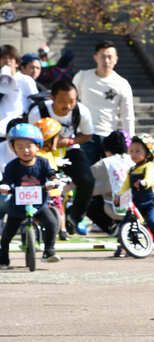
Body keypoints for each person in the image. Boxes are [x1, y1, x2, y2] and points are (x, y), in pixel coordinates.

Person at [27, 79, 96, 235]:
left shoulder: (81, 111)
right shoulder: (37, 112)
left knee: (87, 180)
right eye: (63, 102)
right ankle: (34, 218)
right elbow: (30, 137)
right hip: (42, 151)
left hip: (69, 149)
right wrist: (49, 144)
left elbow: (87, 135)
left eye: (72, 101)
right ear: (52, 98)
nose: (68, 106)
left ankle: (74, 218)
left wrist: (70, 141)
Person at [0, 123, 61, 268]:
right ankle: (3, 257)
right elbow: (6, 180)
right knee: (7, 234)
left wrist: (54, 181)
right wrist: (5, 187)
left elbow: (52, 174)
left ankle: (49, 251)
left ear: (37, 146)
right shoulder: (12, 166)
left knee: (52, 222)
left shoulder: (43, 162)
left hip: (39, 204)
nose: (25, 150)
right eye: (19, 147)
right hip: (18, 205)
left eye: (29, 146)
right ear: (13, 148)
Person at [73, 41, 135, 165]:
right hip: (86, 135)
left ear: (116, 59)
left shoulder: (122, 84)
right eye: (103, 56)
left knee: (111, 175)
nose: (106, 61)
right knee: (88, 175)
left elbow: (127, 115)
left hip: (109, 136)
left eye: (110, 57)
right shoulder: (82, 77)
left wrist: (130, 141)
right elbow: (70, 104)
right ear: (95, 57)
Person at [116, 134, 154, 257]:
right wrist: (119, 195)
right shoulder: (132, 170)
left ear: (148, 153)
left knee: (152, 220)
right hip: (137, 202)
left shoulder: (149, 167)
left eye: (138, 151)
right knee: (126, 222)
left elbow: (150, 179)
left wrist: (144, 182)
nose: (133, 154)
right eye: (131, 151)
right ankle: (123, 245)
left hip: (152, 201)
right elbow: (125, 185)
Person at [0, 45, 38, 117]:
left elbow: (34, 102)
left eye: (11, 58)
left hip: (17, 121)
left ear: (17, 63)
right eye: (3, 58)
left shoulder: (26, 80)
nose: (7, 61)